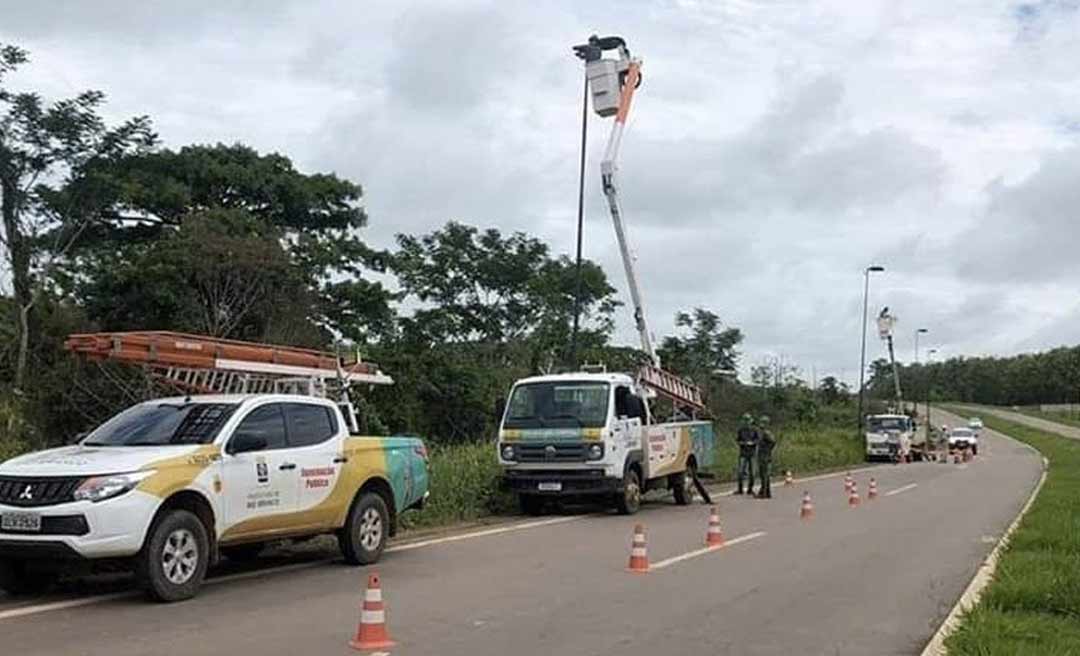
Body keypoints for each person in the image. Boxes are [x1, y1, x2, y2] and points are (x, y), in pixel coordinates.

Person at [735, 413, 758, 495]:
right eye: (745, 421)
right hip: (743, 453)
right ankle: (740, 489)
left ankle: (750, 489)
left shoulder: (754, 429)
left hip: (752, 453)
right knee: (740, 472)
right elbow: (737, 440)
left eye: (748, 421)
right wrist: (743, 443)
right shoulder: (741, 430)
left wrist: (752, 443)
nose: (746, 423)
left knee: (752, 473)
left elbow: (758, 440)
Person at [755, 416, 777, 499]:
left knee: (764, 475)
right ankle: (767, 492)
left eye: (763, 423)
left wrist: (767, 449)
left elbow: (773, 442)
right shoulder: (765, 432)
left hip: (764, 456)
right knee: (765, 475)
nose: (761, 425)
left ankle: (763, 493)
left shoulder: (766, 433)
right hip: (763, 455)